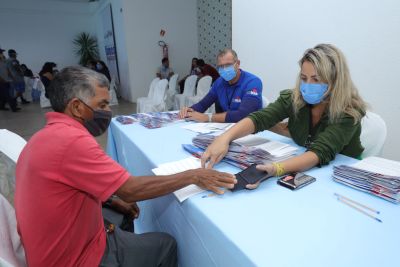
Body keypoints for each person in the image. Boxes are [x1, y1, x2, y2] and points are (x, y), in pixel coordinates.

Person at [15, 66, 236, 267]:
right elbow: (131, 190)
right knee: (166, 244)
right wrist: (193, 176)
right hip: (74, 258)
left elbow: (72, 186)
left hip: (55, 244)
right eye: (101, 105)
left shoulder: (46, 136)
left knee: (123, 211)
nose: (108, 111)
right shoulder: (71, 141)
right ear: (76, 107)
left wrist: (110, 199)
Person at [201, 44, 367, 187]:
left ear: (336, 80)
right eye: (303, 78)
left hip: (344, 175)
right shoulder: (294, 98)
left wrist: (276, 168)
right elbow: (260, 118)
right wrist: (224, 138)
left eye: (316, 79)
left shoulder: (349, 112)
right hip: (308, 165)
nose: (308, 85)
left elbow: (319, 152)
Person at [179, 48, 263, 123]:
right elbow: (202, 105)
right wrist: (189, 110)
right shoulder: (219, 82)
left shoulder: (253, 82)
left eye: (228, 65)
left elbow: (243, 115)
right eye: (221, 66)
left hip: (251, 132)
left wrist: (208, 117)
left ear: (238, 63)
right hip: (227, 128)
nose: (225, 69)